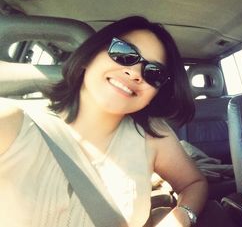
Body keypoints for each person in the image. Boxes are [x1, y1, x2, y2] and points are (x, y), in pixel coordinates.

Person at [0, 16, 207, 227]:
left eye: (153, 73)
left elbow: (195, 183)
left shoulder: (152, 135)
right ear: (89, 56)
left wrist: (181, 217)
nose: (135, 73)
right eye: (123, 53)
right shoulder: (12, 120)